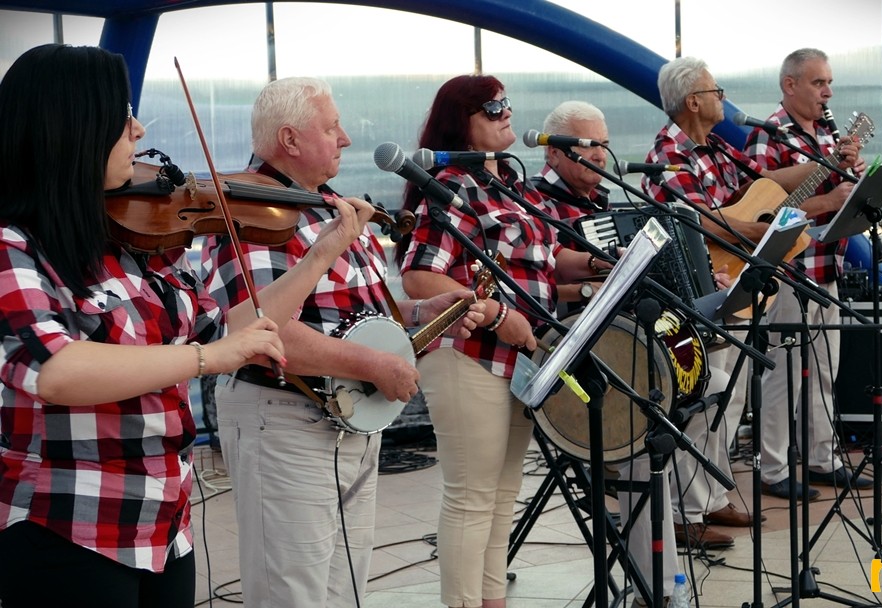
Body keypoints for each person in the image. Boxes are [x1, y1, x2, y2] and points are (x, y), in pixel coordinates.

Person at [0, 44, 369, 608]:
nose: (139, 130)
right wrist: (206, 360)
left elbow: (229, 328)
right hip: (69, 521)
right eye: (123, 117)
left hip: (163, 522)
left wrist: (320, 255)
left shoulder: (136, 247)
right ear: (72, 128)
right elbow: (55, 369)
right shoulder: (14, 246)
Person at [201, 76, 484, 607]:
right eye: (332, 128)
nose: (347, 139)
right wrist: (372, 364)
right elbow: (261, 334)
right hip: (285, 419)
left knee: (343, 591)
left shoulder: (329, 204)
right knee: (293, 595)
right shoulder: (250, 211)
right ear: (289, 139)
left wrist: (420, 313)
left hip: (348, 419)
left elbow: (351, 313)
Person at [394, 74, 605, 608]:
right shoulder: (451, 184)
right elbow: (419, 277)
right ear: (461, 123)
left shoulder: (511, 181)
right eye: (492, 107)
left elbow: (546, 259)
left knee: (503, 496)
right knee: (471, 499)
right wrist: (494, 314)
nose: (506, 111)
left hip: (520, 356)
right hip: (468, 356)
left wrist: (602, 262)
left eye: (506, 103)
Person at [640, 55, 824, 561]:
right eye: (715, 90)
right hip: (694, 291)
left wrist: (823, 164)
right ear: (692, 101)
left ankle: (712, 496)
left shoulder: (717, 147)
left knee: (731, 396)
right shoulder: (668, 153)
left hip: (733, 281)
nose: (723, 97)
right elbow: (699, 220)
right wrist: (760, 233)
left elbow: (765, 182)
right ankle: (684, 511)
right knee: (701, 396)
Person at [743, 48, 872, 499]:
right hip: (788, 271)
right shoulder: (768, 136)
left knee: (824, 371)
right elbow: (762, 210)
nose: (828, 92)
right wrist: (829, 200)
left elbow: (837, 199)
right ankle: (773, 468)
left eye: (829, 82)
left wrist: (853, 186)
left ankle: (822, 459)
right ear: (790, 85)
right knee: (783, 371)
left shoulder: (825, 137)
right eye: (819, 83)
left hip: (827, 267)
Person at [529, 100, 610, 314]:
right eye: (588, 145)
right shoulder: (531, 200)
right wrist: (585, 290)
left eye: (603, 145)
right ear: (554, 153)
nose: (600, 156)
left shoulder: (599, 199)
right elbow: (533, 278)